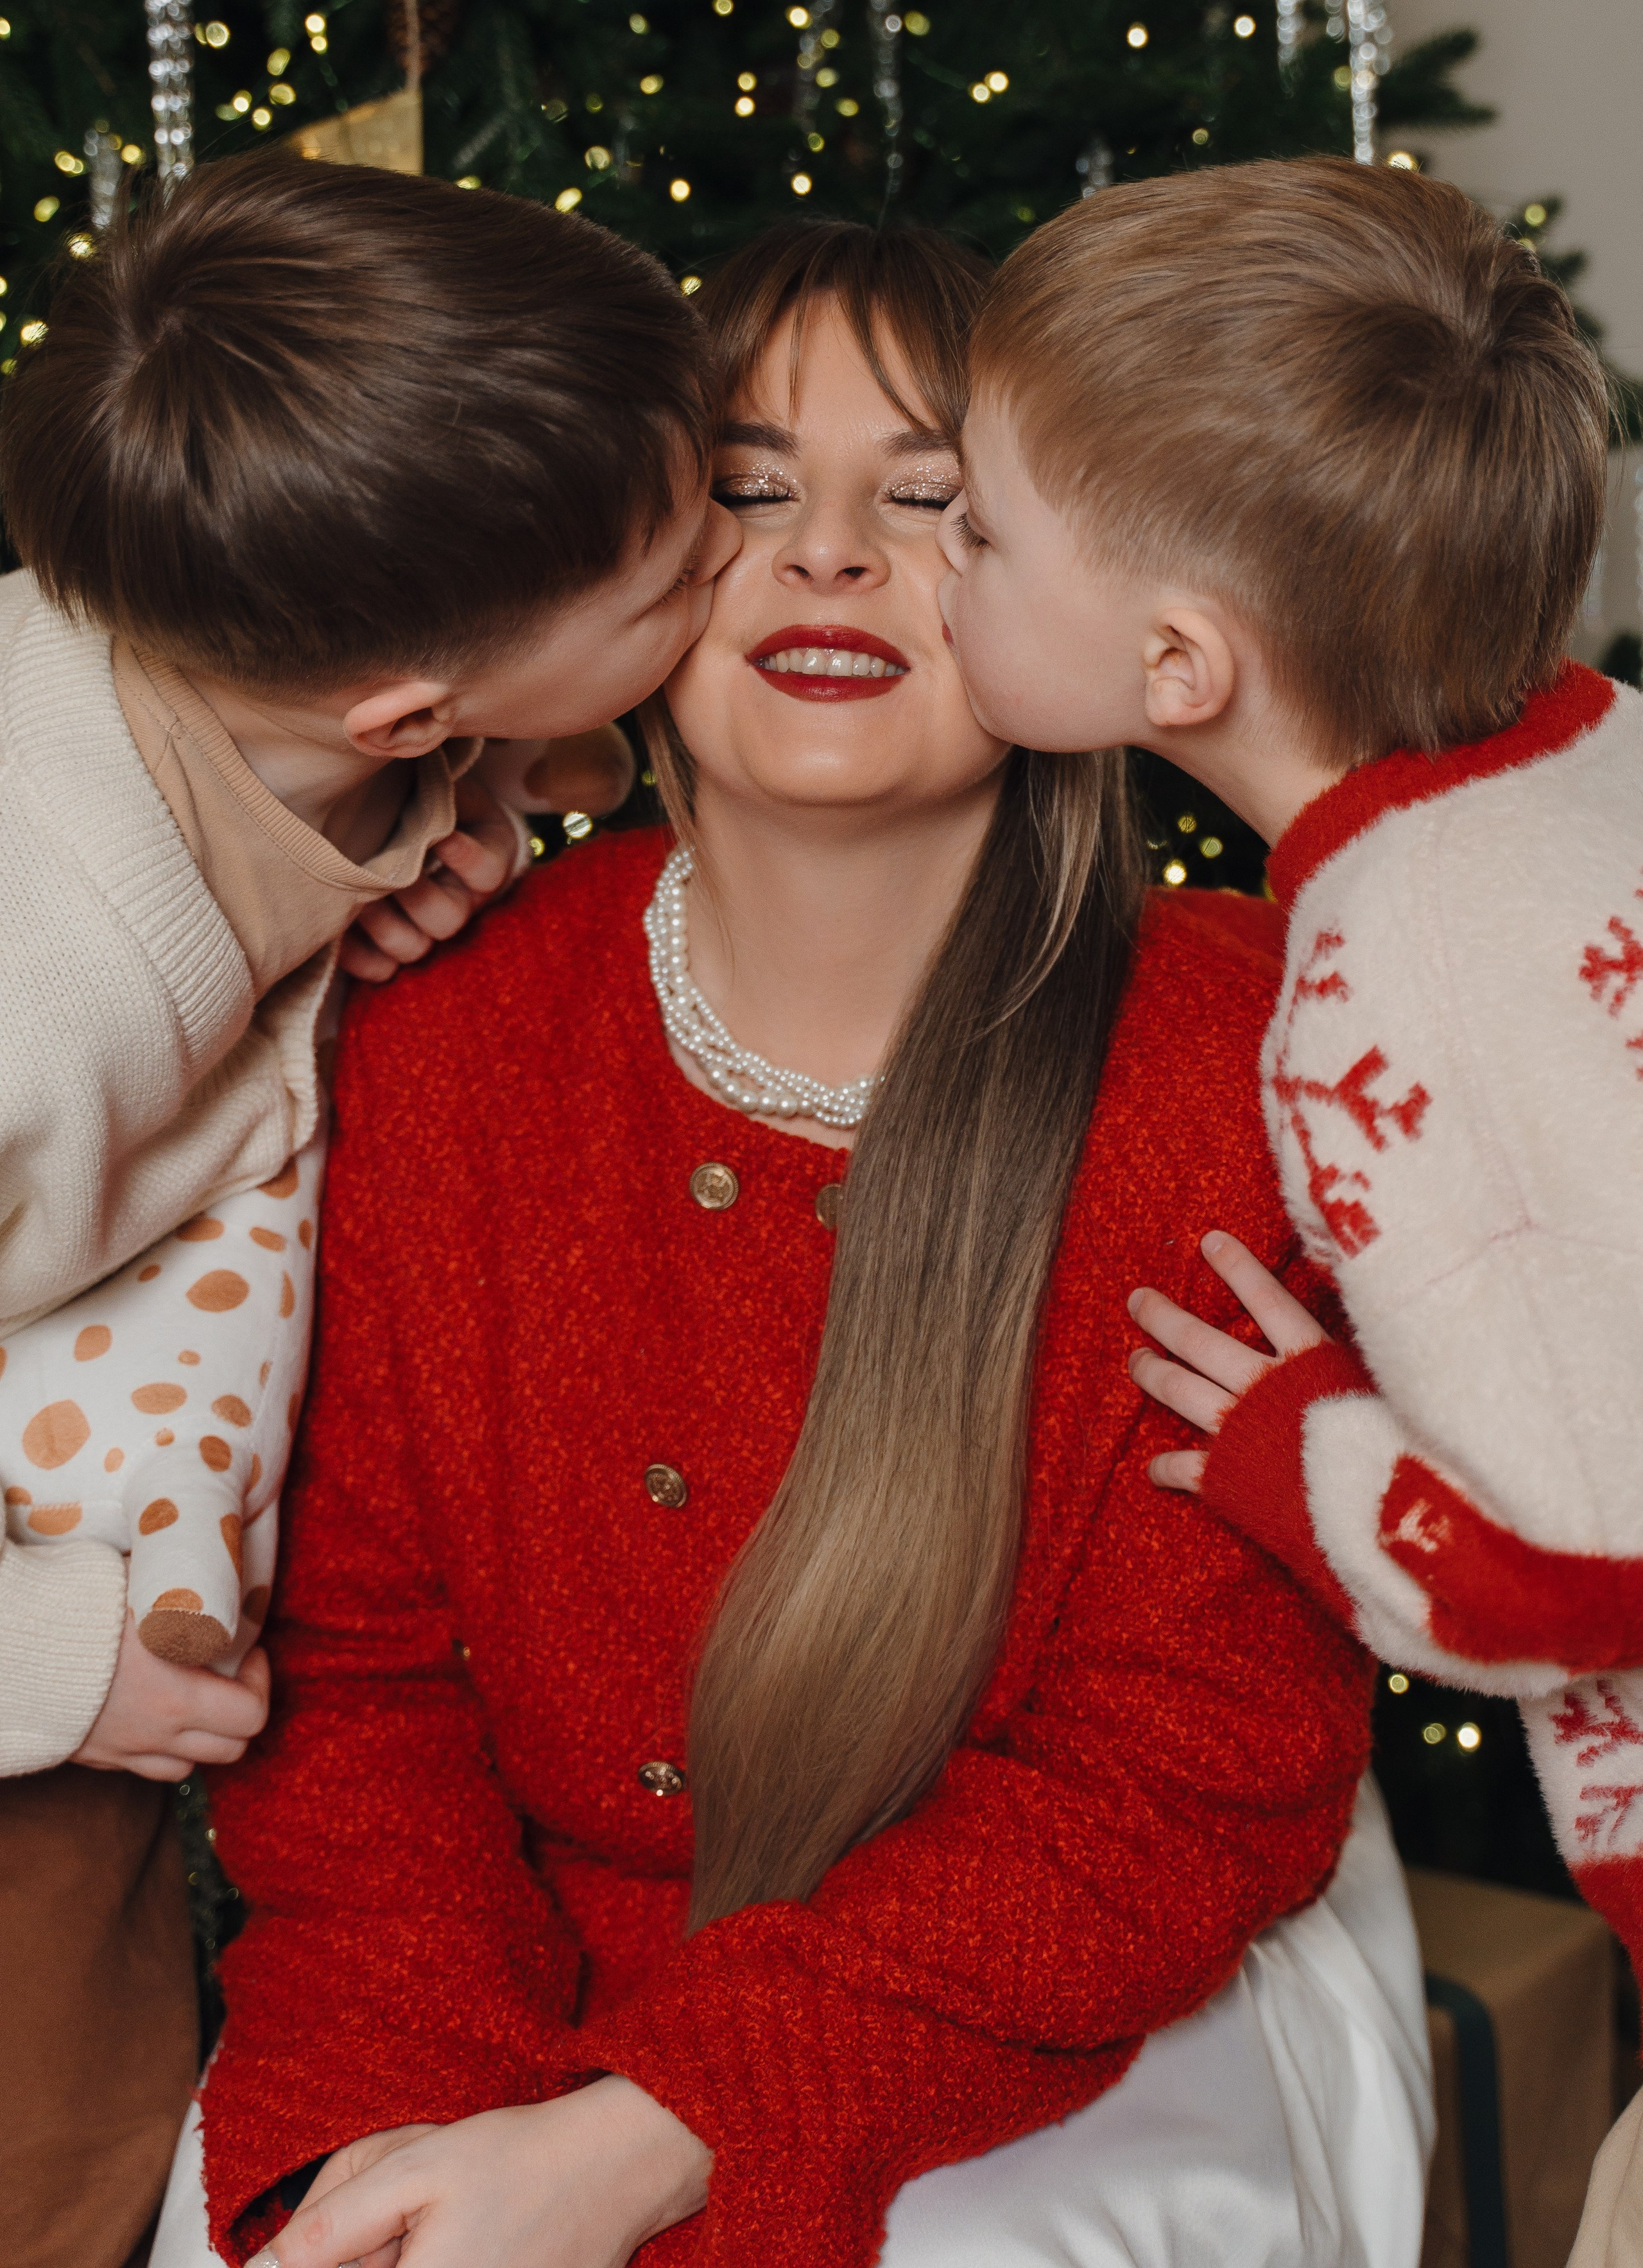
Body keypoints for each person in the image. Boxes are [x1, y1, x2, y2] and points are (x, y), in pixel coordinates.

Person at [162, 220, 1431, 2268]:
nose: (829, 554)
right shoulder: (431, 1034)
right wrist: (399, 2133)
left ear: (1079, 587)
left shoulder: (1263, 1056)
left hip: (1061, 2005)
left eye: (928, 502)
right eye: (748, 493)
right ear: (619, 572)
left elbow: (1182, 1781)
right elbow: (364, 1694)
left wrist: (656, 2138)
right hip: (483, 1975)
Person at [0, 150, 730, 2268]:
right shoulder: (35, 979)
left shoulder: (280, 660)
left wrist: (473, 808)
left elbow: (484, 748)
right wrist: (45, 1666)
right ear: (395, 705)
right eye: (684, 570)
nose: (738, 579)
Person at [935, 155, 1643, 2249]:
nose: (934, 570)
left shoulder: (1374, 976)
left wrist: (1286, 1440)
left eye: (973, 528)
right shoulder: (1589, 753)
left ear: (1175, 668)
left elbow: (1559, 1573)